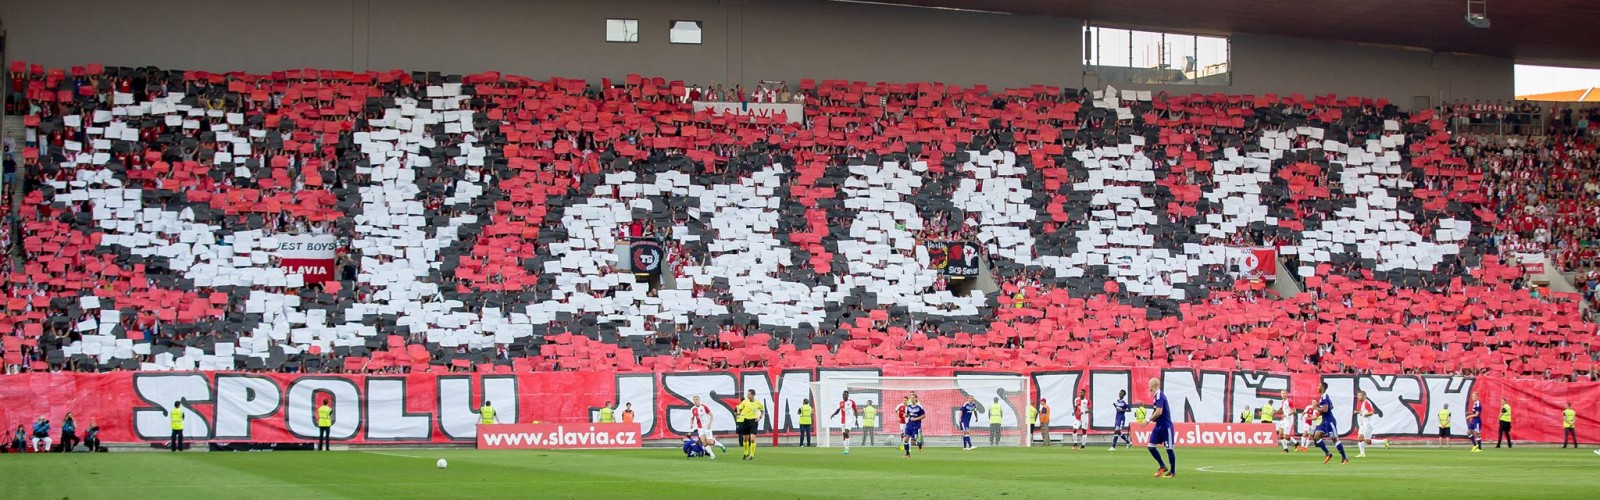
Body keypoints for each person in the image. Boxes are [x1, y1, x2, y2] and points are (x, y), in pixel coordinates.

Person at [1144, 378, 1176, 478]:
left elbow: (1159, 411)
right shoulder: (1156, 396)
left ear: (1152, 385)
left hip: (1166, 427)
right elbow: (1156, 412)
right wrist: (1153, 419)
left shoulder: (1159, 394)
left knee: (1169, 449)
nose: (1148, 386)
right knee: (1150, 446)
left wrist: (1148, 420)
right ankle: (1162, 466)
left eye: (1149, 384)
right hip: (1158, 426)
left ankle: (1172, 471)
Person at [1311, 381, 1348, 465]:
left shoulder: (1324, 397)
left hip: (1330, 421)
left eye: (1319, 386)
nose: (1317, 387)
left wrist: (1316, 407)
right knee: (1316, 436)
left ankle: (1344, 457)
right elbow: (1331, 406)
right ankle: (1328, 454)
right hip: (1324, 420)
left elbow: (1326, 409)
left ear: (1323, 388)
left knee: (1334, 439)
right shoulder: (1323, 397)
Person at [736, 389, 764, 460]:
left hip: (753, 421)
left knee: (752, 438)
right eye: (747, 394)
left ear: (753, 395)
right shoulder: (745, 402)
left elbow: (762, 411)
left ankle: (752, 455)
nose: (747, 395)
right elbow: (738, 407)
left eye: (748, 394)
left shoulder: (758, 403)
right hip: (745, 421)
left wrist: (760, 417)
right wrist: (739, 414)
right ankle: (746, 453)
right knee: (745, 439)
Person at [1354, 390, 1380, 458]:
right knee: (1359, 438)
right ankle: (1362, 453)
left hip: (1367, 424)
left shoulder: (1367, 403)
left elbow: (1371, 412)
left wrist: (1363, 413)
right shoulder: (1363, 403)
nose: (1358, 397)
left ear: (1364, 396)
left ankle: (1384, 441)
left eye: (1360, 395)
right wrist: (1358, 412)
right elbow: (1363, 413)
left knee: (1367, 441)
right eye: (1358, 395)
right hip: (1363, 424)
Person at [901, 393, 925, 458]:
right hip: (909, 425)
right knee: (905, 439)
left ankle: (919, 444)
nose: (912, 399)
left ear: (916, 398)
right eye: (911, 398)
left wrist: (916, 419)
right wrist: (906, 415)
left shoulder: (919, 407)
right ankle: (907, 454)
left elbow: (924, 416)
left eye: (913, 397)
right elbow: (908, 414)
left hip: (916, 426)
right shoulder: (909, 407)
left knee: (913, 442)